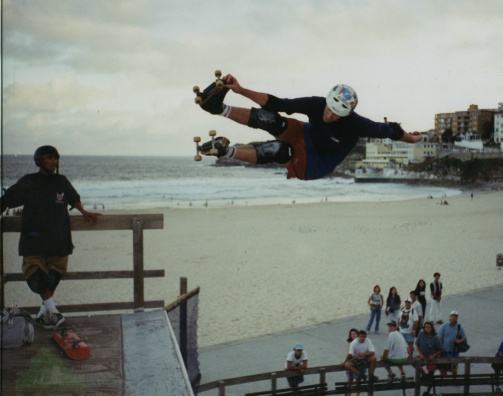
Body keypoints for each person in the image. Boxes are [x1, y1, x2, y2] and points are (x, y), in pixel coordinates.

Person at [197, 74, 423, 180]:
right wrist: (241, 89)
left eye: (335, 114)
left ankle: (226, 152)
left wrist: (411, 139)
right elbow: (279, 104)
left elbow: (391, 130)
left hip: (317, 163)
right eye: (328, 108)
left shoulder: (357, 124)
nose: (328, 114)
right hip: (304, 133)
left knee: (278, 150)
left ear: (346, 113)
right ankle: (218, 108)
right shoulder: (318, 103)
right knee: (270, 118)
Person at [0, 146, 99, 329]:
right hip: (33, 241)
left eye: (55, 158)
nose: (54, 162)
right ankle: (53, 310)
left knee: (53, 278)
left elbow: (73, 197)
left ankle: (44, 314)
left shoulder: (61, 181)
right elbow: (7, 200)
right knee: (35, 278)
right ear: (39, 160)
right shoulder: (28, 181)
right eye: (49, 158)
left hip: (58, 240)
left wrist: (83, 211)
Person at [438, 311, 467, 376]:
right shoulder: (443, 326)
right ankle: (442, 380)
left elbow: (464, 337)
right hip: (445, 350)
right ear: (449, 317)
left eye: (455, 316)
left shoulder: (459, 327)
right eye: (452, 316)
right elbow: (439, 337)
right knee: (443, 367)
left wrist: (459, 341)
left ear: (457, 318)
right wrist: (440, 347)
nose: (454, 318)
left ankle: (454, 380)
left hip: (455, 351)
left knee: (454, 367)